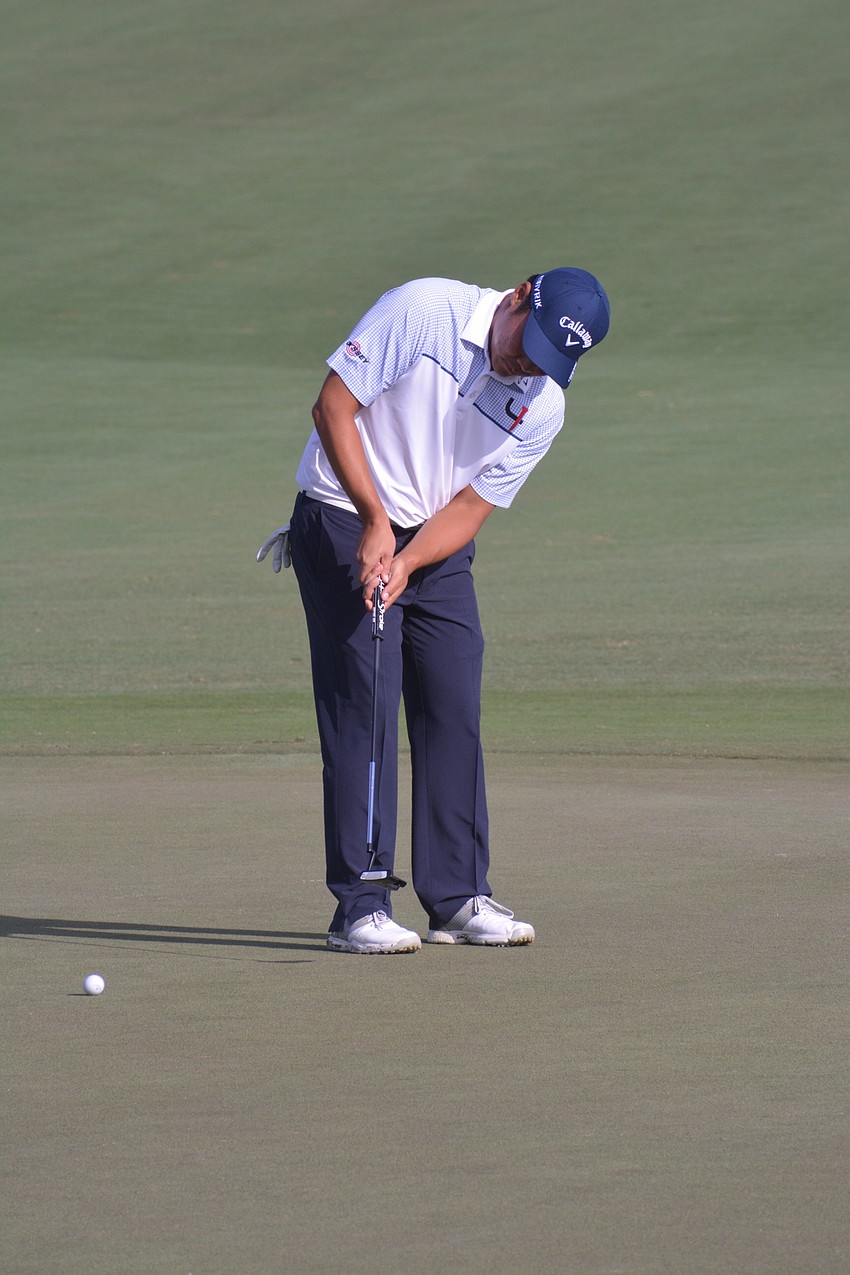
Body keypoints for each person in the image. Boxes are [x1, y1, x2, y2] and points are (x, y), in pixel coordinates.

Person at [262, 268, 610, 954]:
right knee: (365, 701)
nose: (526, 363)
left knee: (453, 700)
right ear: (516, 297)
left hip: (432, 543)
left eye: (548, 359)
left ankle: (456, 897)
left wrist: (411, 559)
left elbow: (471, 508)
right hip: (343, 513)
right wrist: (374, 523)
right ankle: (359, 904)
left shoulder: (542, 405)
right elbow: (333, 407)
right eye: (527, 341)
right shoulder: (424, 311)